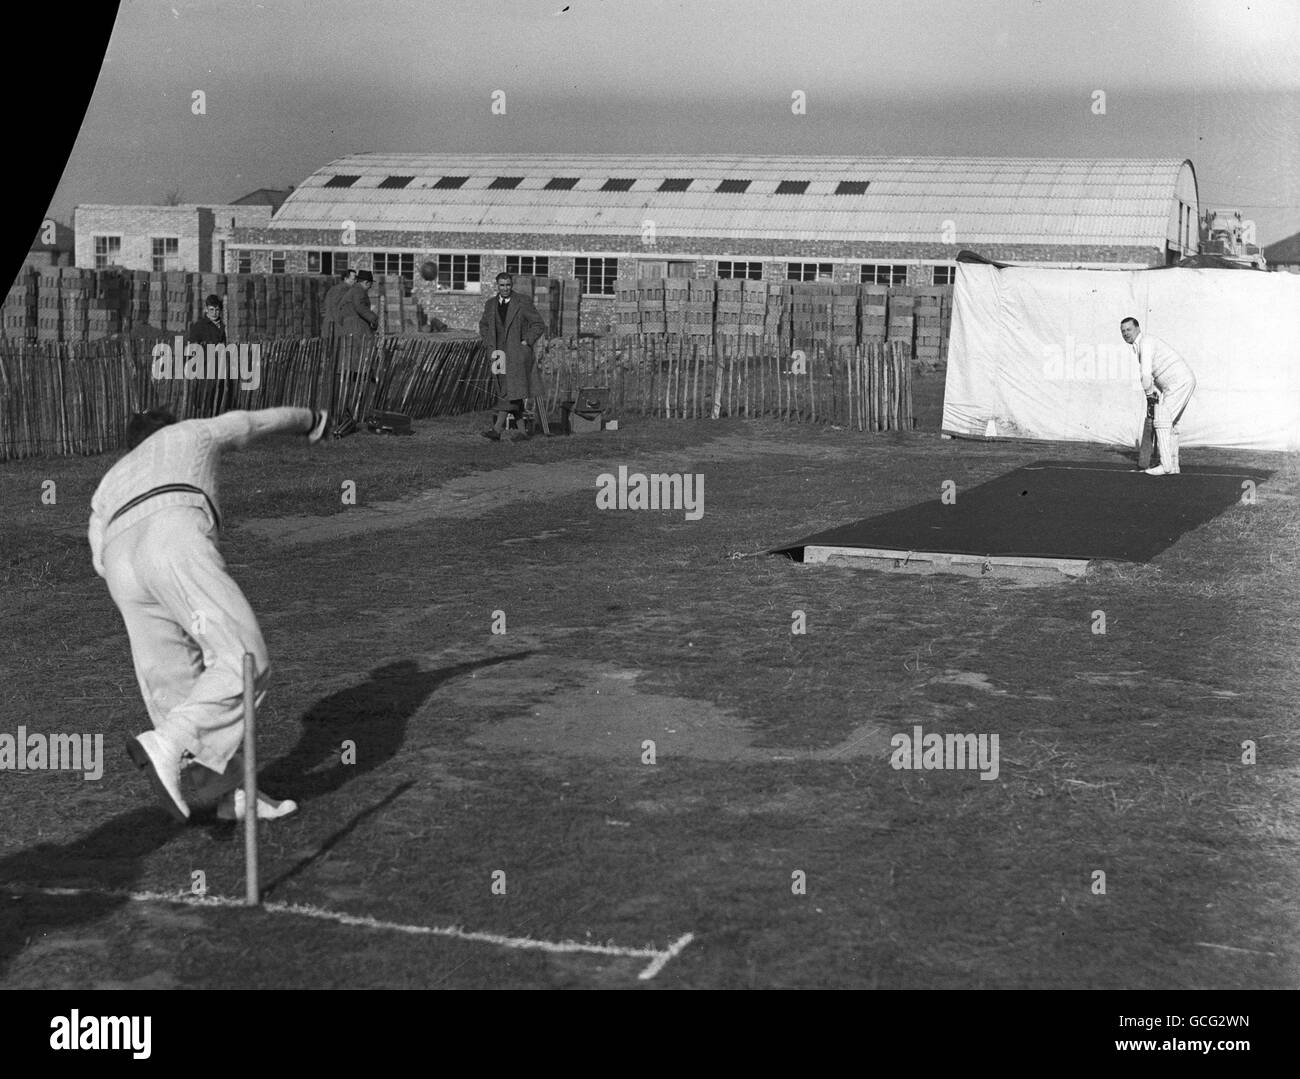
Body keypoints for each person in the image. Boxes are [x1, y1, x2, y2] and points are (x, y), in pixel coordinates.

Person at [88, 405, 330, 822]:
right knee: (242, 657)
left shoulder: (111, 478)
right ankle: (170, 744)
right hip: (171, 532)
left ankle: (233, 795)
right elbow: (257, 422)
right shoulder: (192, 432)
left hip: (119, 560)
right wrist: (310, 420)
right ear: (170, 426)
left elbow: (98, 556)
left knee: (175, 685)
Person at [1120, 317, 1196, 475]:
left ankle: (1165, 466)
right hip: (1176, 383)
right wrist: (1154, 394)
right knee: (1171, 424)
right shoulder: (1143, 344)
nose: (1126, 333)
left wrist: (1149, 395)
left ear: (1138, 329)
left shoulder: (1145, 342)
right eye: (1123, 331)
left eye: (1129, 329)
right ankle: (1174, 466)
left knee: (1162, 421)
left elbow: (1146, 375)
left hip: (1178, 382)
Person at [478, 272, 546, 441]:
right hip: (498, 354)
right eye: (502, 285)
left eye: (508, 285)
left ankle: (497, 430)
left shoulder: (522, 302)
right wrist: (488, 342)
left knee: (509, 391)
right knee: (506, 391)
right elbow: (484, 325)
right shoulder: (490, 304)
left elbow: (538, 324)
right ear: (497, 285)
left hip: (517, 355)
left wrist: (527, 342)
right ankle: (523, 433)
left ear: (511, 285)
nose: (505, 288)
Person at [337, 269, 379, 339]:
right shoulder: (358, 291)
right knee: (361, 348)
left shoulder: (353, 290)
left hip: (349, 326)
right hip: (356, 326)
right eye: (370, 285)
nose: (370, 287)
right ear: (366, 282)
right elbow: (360, 306)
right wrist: (374, 319)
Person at [321, 268, 357, 347]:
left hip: (328, 325)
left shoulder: (333, 289)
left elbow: (324, 308)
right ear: (346, 279)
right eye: (354, 279)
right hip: (337, 327)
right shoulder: (345, 290)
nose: (355, 281)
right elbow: (337, 308)